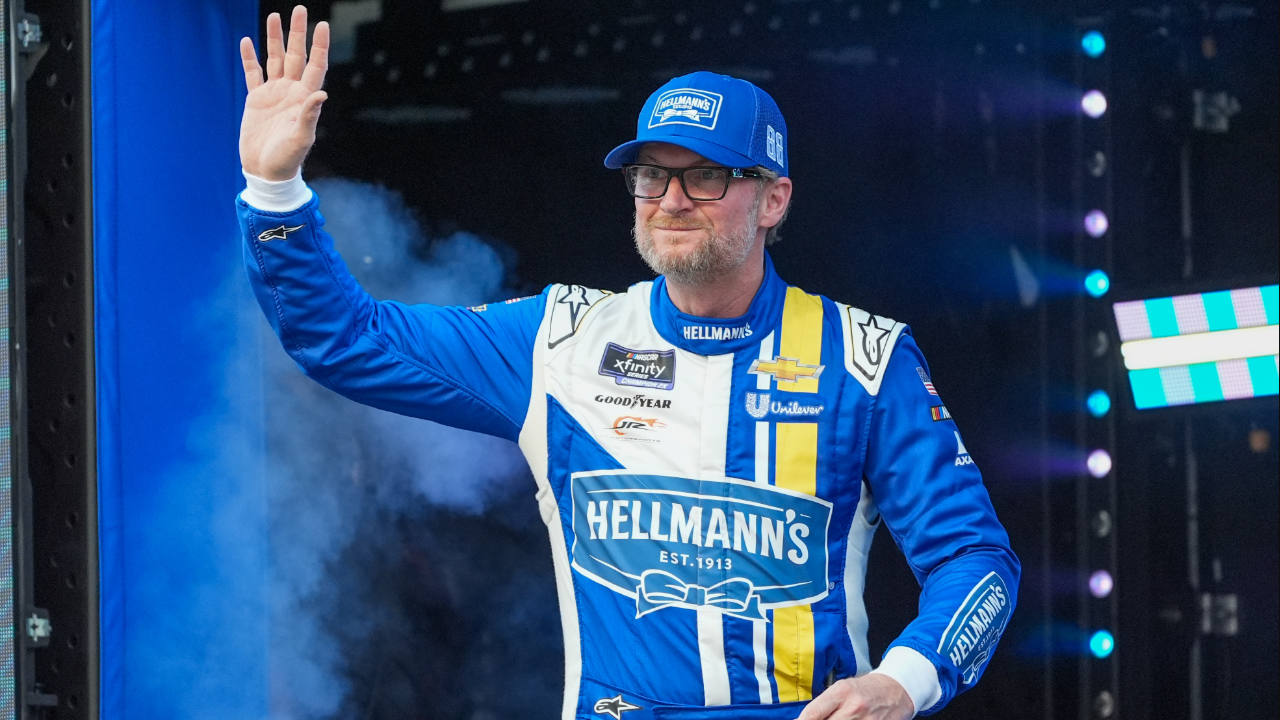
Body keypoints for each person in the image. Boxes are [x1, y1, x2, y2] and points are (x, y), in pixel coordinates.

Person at [236, 7, 1019, 719]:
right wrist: (274, 189)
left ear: (774, 199)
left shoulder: (866, 357)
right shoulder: (559, 339)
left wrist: (903, 682)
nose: (671, 199)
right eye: (651, 175)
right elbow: (346, 338)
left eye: (706, 175)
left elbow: (974, 558)